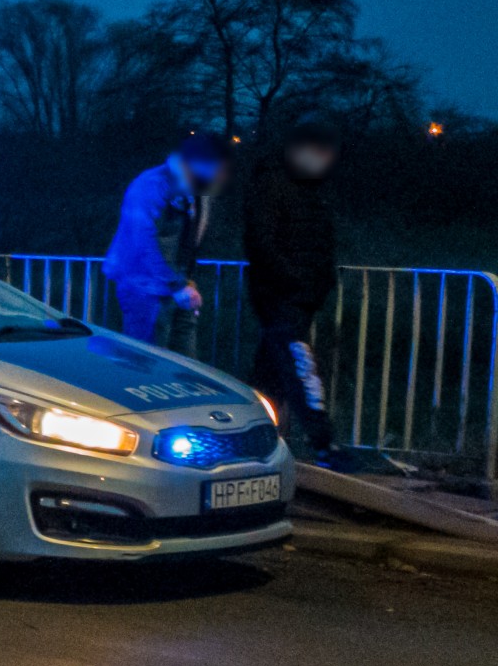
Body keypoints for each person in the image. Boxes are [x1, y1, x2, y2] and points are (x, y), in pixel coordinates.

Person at [245, 118, 342, 466]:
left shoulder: (307, 187)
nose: (326, 160)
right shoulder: (273, 184)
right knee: (301, 370)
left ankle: (256, 442)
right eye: (320, 152)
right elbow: (263, 243)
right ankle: (324, 446)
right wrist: (295, 281)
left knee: (268, 376)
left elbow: (319, 242)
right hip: (283, 296)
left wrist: (318, 282)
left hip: (298, 296)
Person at [103, 132, 231, 356]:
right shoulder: (151, 184)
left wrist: (184, 280)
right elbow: (142, 241)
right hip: (143, 285)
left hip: (175, 283)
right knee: (146, 361)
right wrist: (178, 283)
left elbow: (190, 240)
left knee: (186, 364)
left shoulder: (198, 191)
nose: (221, 175)